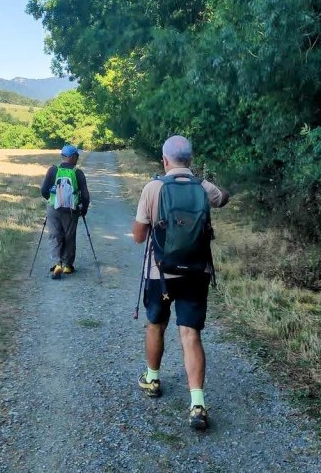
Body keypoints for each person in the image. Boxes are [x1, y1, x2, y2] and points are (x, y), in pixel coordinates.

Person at [132, 135, 229, 430]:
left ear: (165, 160)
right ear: (191, 159)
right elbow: (223, 198)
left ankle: (152, 378)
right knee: (190, 335)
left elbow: (138, 236)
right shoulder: (203, 188)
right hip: (196, 273)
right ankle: (197, 403)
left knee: (156, 325)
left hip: (160, 274)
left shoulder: (154, 188)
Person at [39, 144, 91, 279]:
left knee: (55, 235)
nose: (78, 158)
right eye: (77, 156)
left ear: (63, 156)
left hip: (53, 208)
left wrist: (52, 200)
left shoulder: (52, 170)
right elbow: (85, 195)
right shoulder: (78, 173)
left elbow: (44, 191)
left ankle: (57, 264)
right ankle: (68, 265)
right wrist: (83, 209)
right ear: (72, 157)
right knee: (69, 236)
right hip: (71, 210)